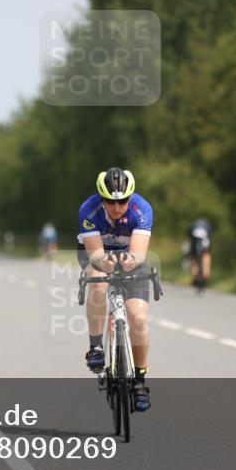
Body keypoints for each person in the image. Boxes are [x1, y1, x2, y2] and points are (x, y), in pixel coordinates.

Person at [77, 167, 153, 412]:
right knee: (97, 278)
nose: (117, 206)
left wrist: (132, 261)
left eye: (122, 201)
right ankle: (96, 346)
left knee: (139, 318)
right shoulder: (88, 210)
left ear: (130, 198)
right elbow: (96, 254)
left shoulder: (142, 209)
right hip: (99, 256)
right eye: (110, 201)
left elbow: (139, 252)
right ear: (102, 197)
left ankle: (139, 383)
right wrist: (103, 263)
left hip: (131, 259)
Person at [188, 218, 212, 288]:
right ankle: (206, 273)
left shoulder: (193, 226)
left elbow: (189, 237)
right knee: (206, 256)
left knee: (193, 259)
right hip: (205, 246)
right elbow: (210, 238)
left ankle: (195, 274)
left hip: (194, 246)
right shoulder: (207, 226)